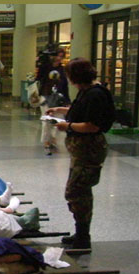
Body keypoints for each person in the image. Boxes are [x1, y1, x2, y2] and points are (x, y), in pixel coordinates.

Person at [46, 58, 115, 250]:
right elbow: (82, 113)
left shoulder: (95, 94)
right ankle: (81, 233)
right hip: (81, 151)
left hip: (89, 150)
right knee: (78, 191)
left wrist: (66, 126)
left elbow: (92, 125)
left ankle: (83, 237)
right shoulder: (87, 92)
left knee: (77, 192)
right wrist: (61, 111)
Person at [38, 48, 70, 155]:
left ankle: (53, 139)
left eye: (61, 56)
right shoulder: (45, 67)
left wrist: (67, 99)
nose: (59, 58)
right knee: (47, 119)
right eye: (58, 56)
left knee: (58, 119)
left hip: (58, 97)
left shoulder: (62, 69)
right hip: (45, 96)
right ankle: (46, 141)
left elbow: (65, 85)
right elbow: (39, 78)